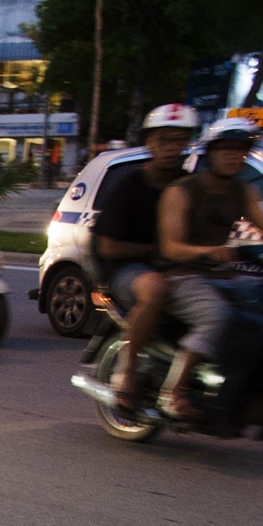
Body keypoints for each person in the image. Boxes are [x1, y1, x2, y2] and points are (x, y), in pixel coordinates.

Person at [154, 116, 263, 419]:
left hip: (219, 275)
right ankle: (172, 393)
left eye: (240, 150)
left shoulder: (242, 191)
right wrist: (210, 251)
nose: (234, 156)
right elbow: (171, 247)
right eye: (226, 150)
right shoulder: (182, 190)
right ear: (210, 152)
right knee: (217, 315)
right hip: (179, 275)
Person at [96, 104, 196, 402]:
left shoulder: (190, 185)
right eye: (164, 140)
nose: (171, 148)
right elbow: (107, 247)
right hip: (129, 269)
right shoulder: (129, 186)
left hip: (179, 266)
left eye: (179, 140)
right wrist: (158, 249)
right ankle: (127, 368)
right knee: (154, 290)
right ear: (149, 143)